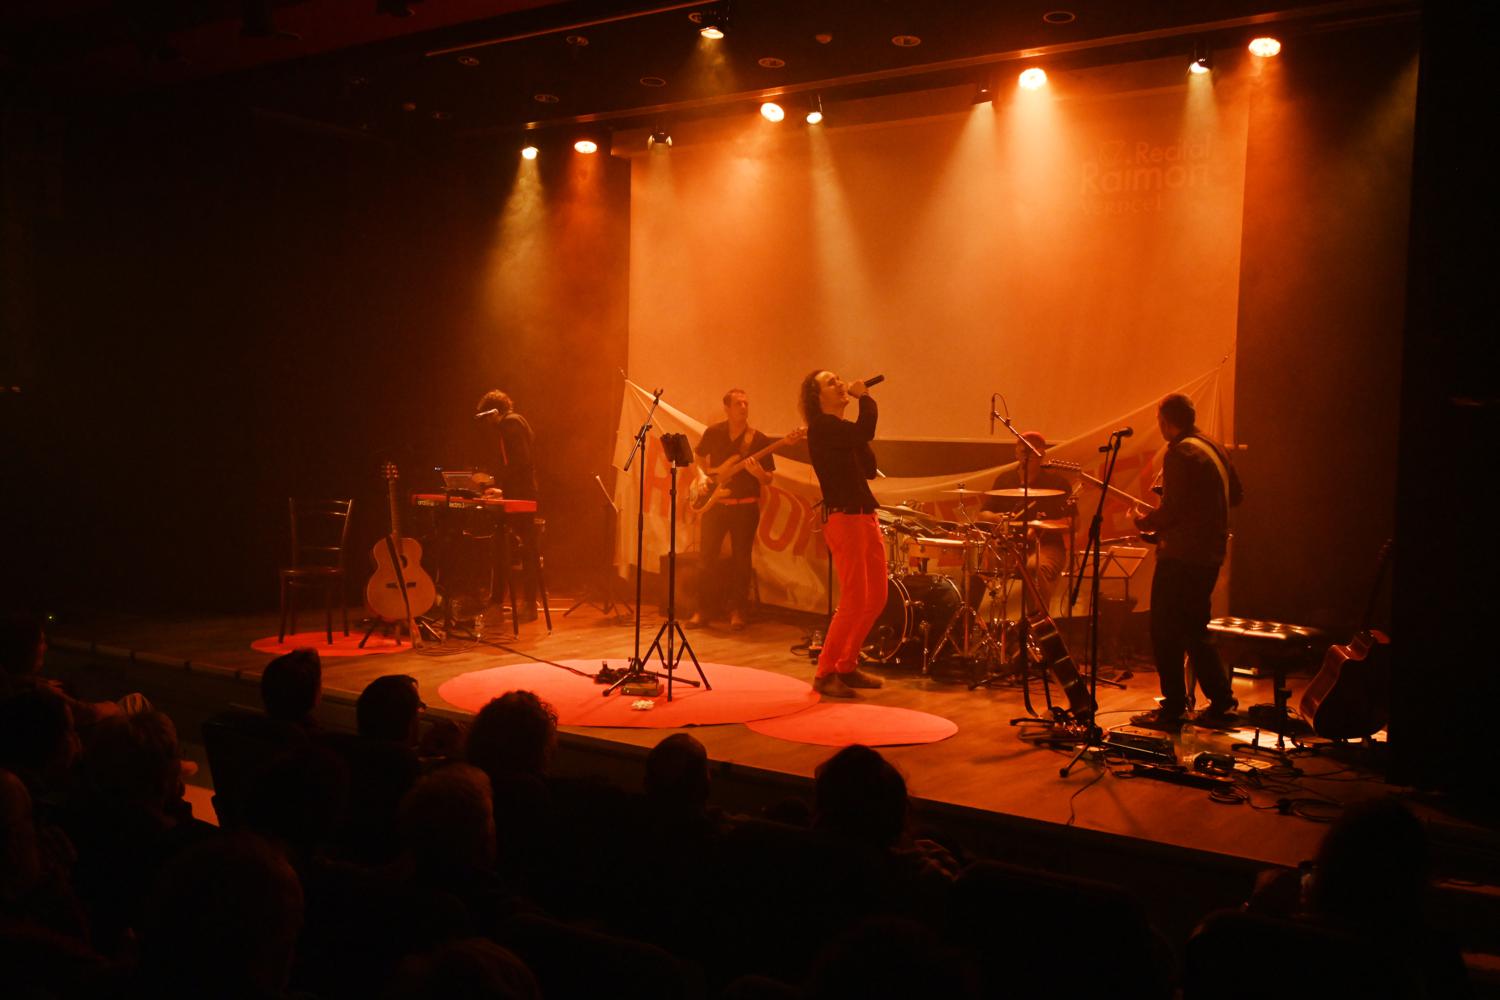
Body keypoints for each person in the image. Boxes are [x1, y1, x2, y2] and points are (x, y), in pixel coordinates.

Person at [1131, 393, 1243, 730]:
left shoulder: (1179, 452)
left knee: (1164, 630)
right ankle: (1222, 703)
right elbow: (1236, 496)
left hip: (1181, 557)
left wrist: (1145, 521)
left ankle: (1174, 708)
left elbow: (1173, 510)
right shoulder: (1214, 447)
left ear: (1165, 422)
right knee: (1196, 629)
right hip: (1208, 555)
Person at [800, 370, 885, 699]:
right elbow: (867, 429)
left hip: (864, 515)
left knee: (877, 597)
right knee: (854, 599)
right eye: (831, 382)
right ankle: (825, 673)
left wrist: (856, 434)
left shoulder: (841, 430)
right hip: (844, 518)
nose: (840, 384)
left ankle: (847, 665)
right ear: (818, 397)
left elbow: (869, 469)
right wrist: (865, 397)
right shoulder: (822, 427)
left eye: (839, 380)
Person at [688, 389, 780, 630]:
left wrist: (758, 473)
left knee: (742, 560)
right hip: (715, 504)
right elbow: (698, 457)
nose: (743, 407)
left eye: (746, 403)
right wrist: (701, 476)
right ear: (727, 408)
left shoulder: (758, 439)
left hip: (745, 507)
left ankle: (738, 610)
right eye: (738, 403)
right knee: (706, 559)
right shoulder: (714, 432)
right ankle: (703, 609)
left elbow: (769, 478)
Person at [971, 431, 1074, 615]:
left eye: (1033, 450)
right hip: (1009, 545)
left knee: (1033, 567)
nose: (1028, 454)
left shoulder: (1058, 483)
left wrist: (1038, 525)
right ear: (1016, 452)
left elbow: (1073, 523)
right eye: (1024, 449)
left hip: (1047, 545)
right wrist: (999, 519)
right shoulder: (1005, 480)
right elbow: (983, 514)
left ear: (1042, 454)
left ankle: (1039, 623)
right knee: (977, 566)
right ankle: (968, 623)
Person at [476, 390, 541, 624]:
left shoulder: (509, 424)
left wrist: (502, 488)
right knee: (525, 549)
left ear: (495, 413)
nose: (487, 424)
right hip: (521, 493)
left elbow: (520, 462)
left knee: (511, 548)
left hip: (520, 496)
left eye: (487, 417)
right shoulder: (517, 422)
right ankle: (523, 603)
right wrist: (503, 490)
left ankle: (502, 603)